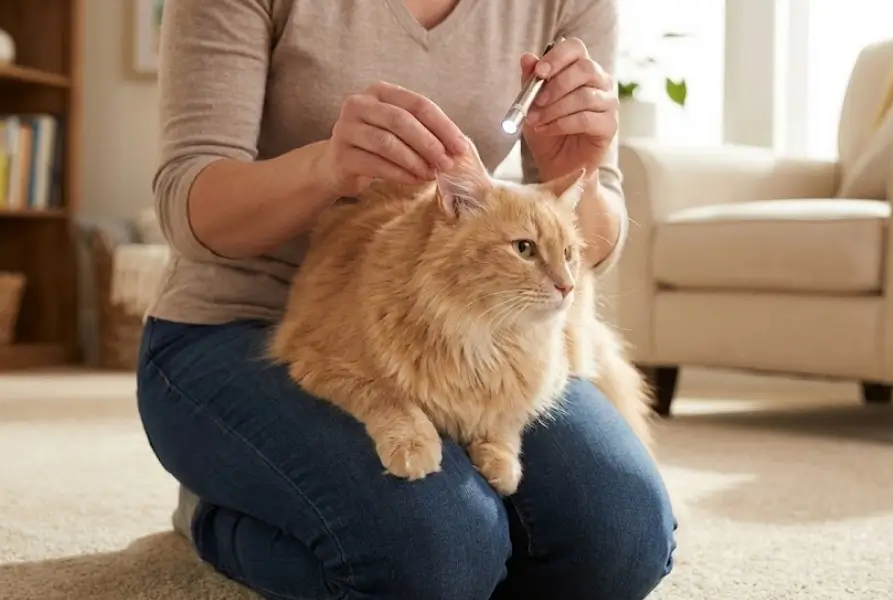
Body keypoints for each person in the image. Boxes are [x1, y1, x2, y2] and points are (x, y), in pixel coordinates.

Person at [136, 1, 677, 599]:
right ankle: (218, 517)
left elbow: (588, 243)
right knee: (438, 559)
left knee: (622, 543)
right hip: (241, 319)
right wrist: (326, 168)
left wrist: (576, 169)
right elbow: (185, 206)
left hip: (479, 318)